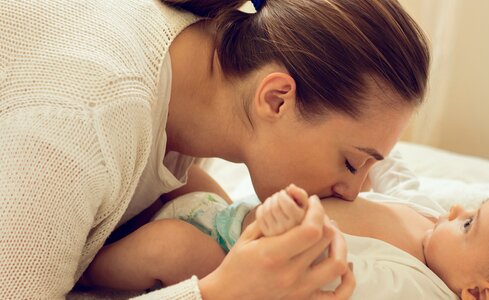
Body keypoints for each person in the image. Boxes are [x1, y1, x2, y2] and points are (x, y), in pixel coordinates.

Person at [0, 0, 431, 298]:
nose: (352, 191)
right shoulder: (89, 113)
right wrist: (220, 292)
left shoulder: (196, 82)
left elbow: (146, 182)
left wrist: (231, 241)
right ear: (277, 98)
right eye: (352, 162)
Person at [79, 154, 489, 300]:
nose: (457, 211)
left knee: (165, 249)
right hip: (230, 213)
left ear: (479, 295)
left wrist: (294, 226)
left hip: (225, 255)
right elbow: (399, 178)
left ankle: (80, 269)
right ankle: (101, 207)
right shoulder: (428, 219)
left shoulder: (416, 286)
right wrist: (373, 154)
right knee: (186, 173)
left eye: (470, 226)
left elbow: (329, 272)